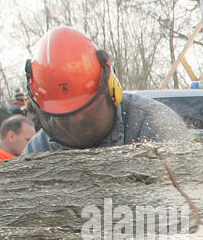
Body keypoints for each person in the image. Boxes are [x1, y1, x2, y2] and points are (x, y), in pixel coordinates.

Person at [23, 27, 189, 153]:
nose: (76, 121)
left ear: (112, 89)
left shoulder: (155, 126)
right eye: (63, 118)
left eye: (85, 111)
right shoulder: (37, 150)